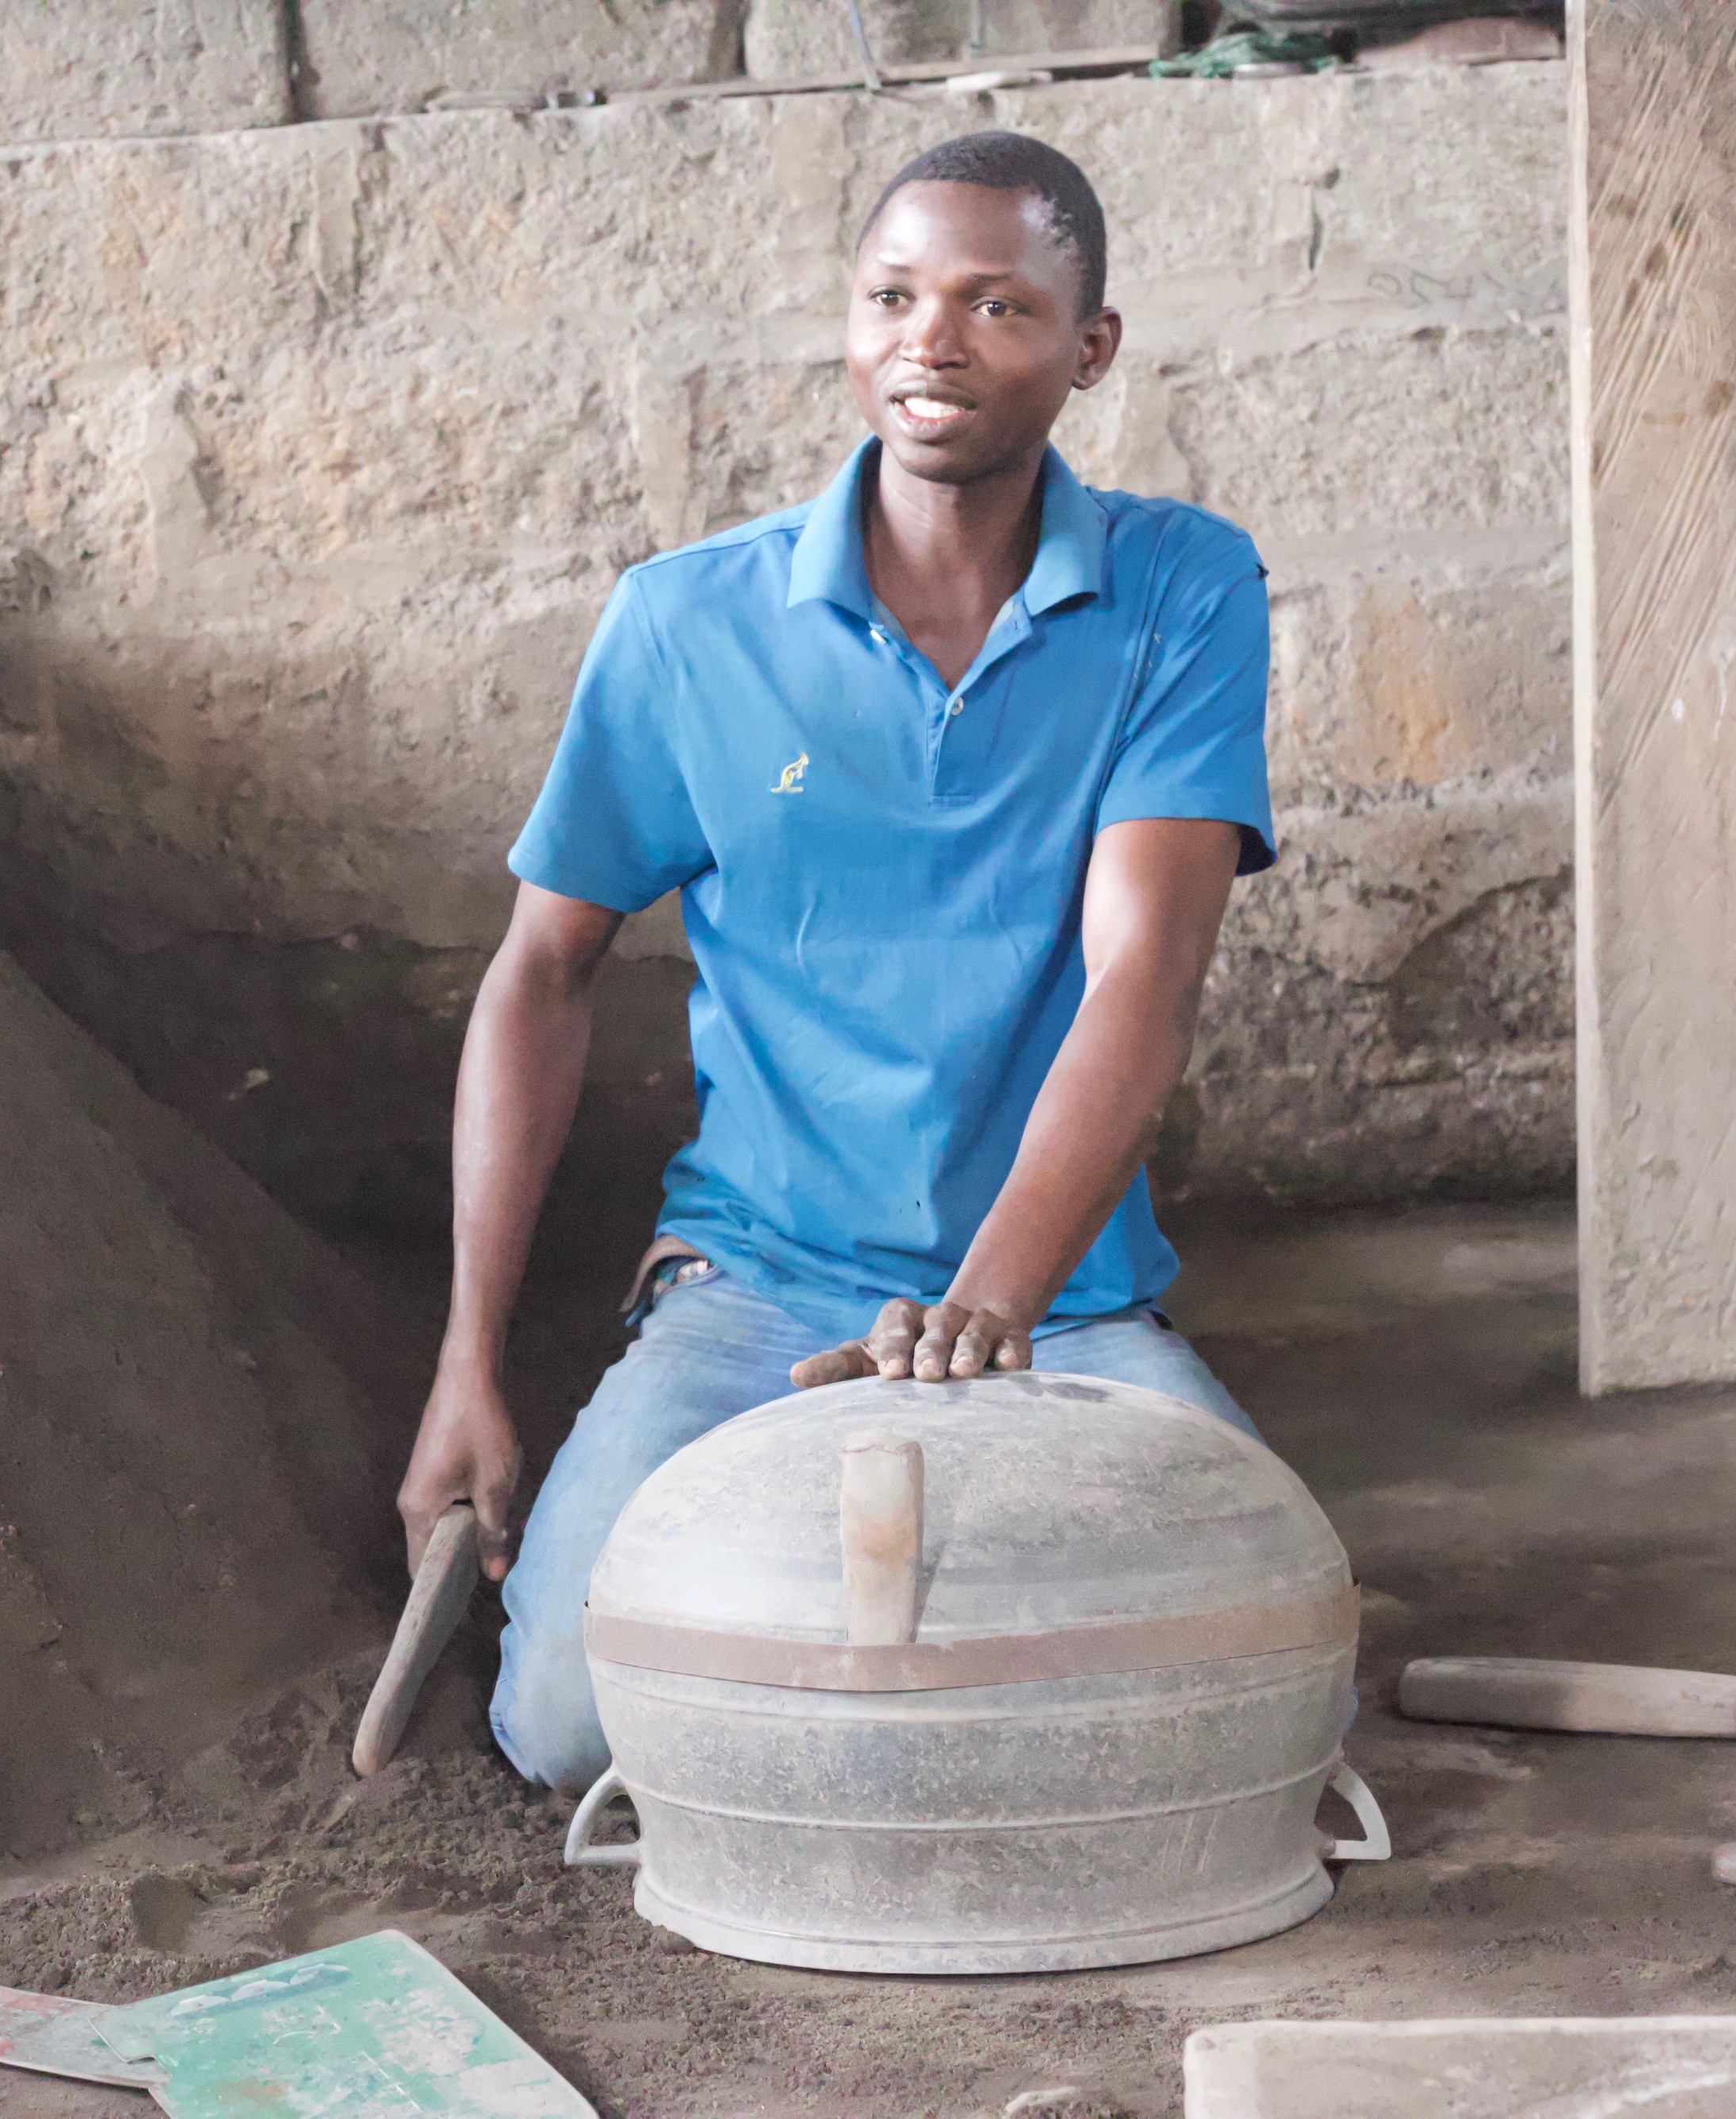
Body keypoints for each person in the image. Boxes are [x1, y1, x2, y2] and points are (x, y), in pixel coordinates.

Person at [396, 131, 1278, 1795]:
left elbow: (1139, 977)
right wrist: (468, 1361)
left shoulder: (1176, 589)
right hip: (758, 1285)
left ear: (1087, 351)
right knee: (571, 1726)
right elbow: (538, 973)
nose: (928, 343)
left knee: (1254, 1685)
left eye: (995, 304)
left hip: (1054, 1303)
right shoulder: (684, 626)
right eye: (890, 298)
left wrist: (981, 1314)